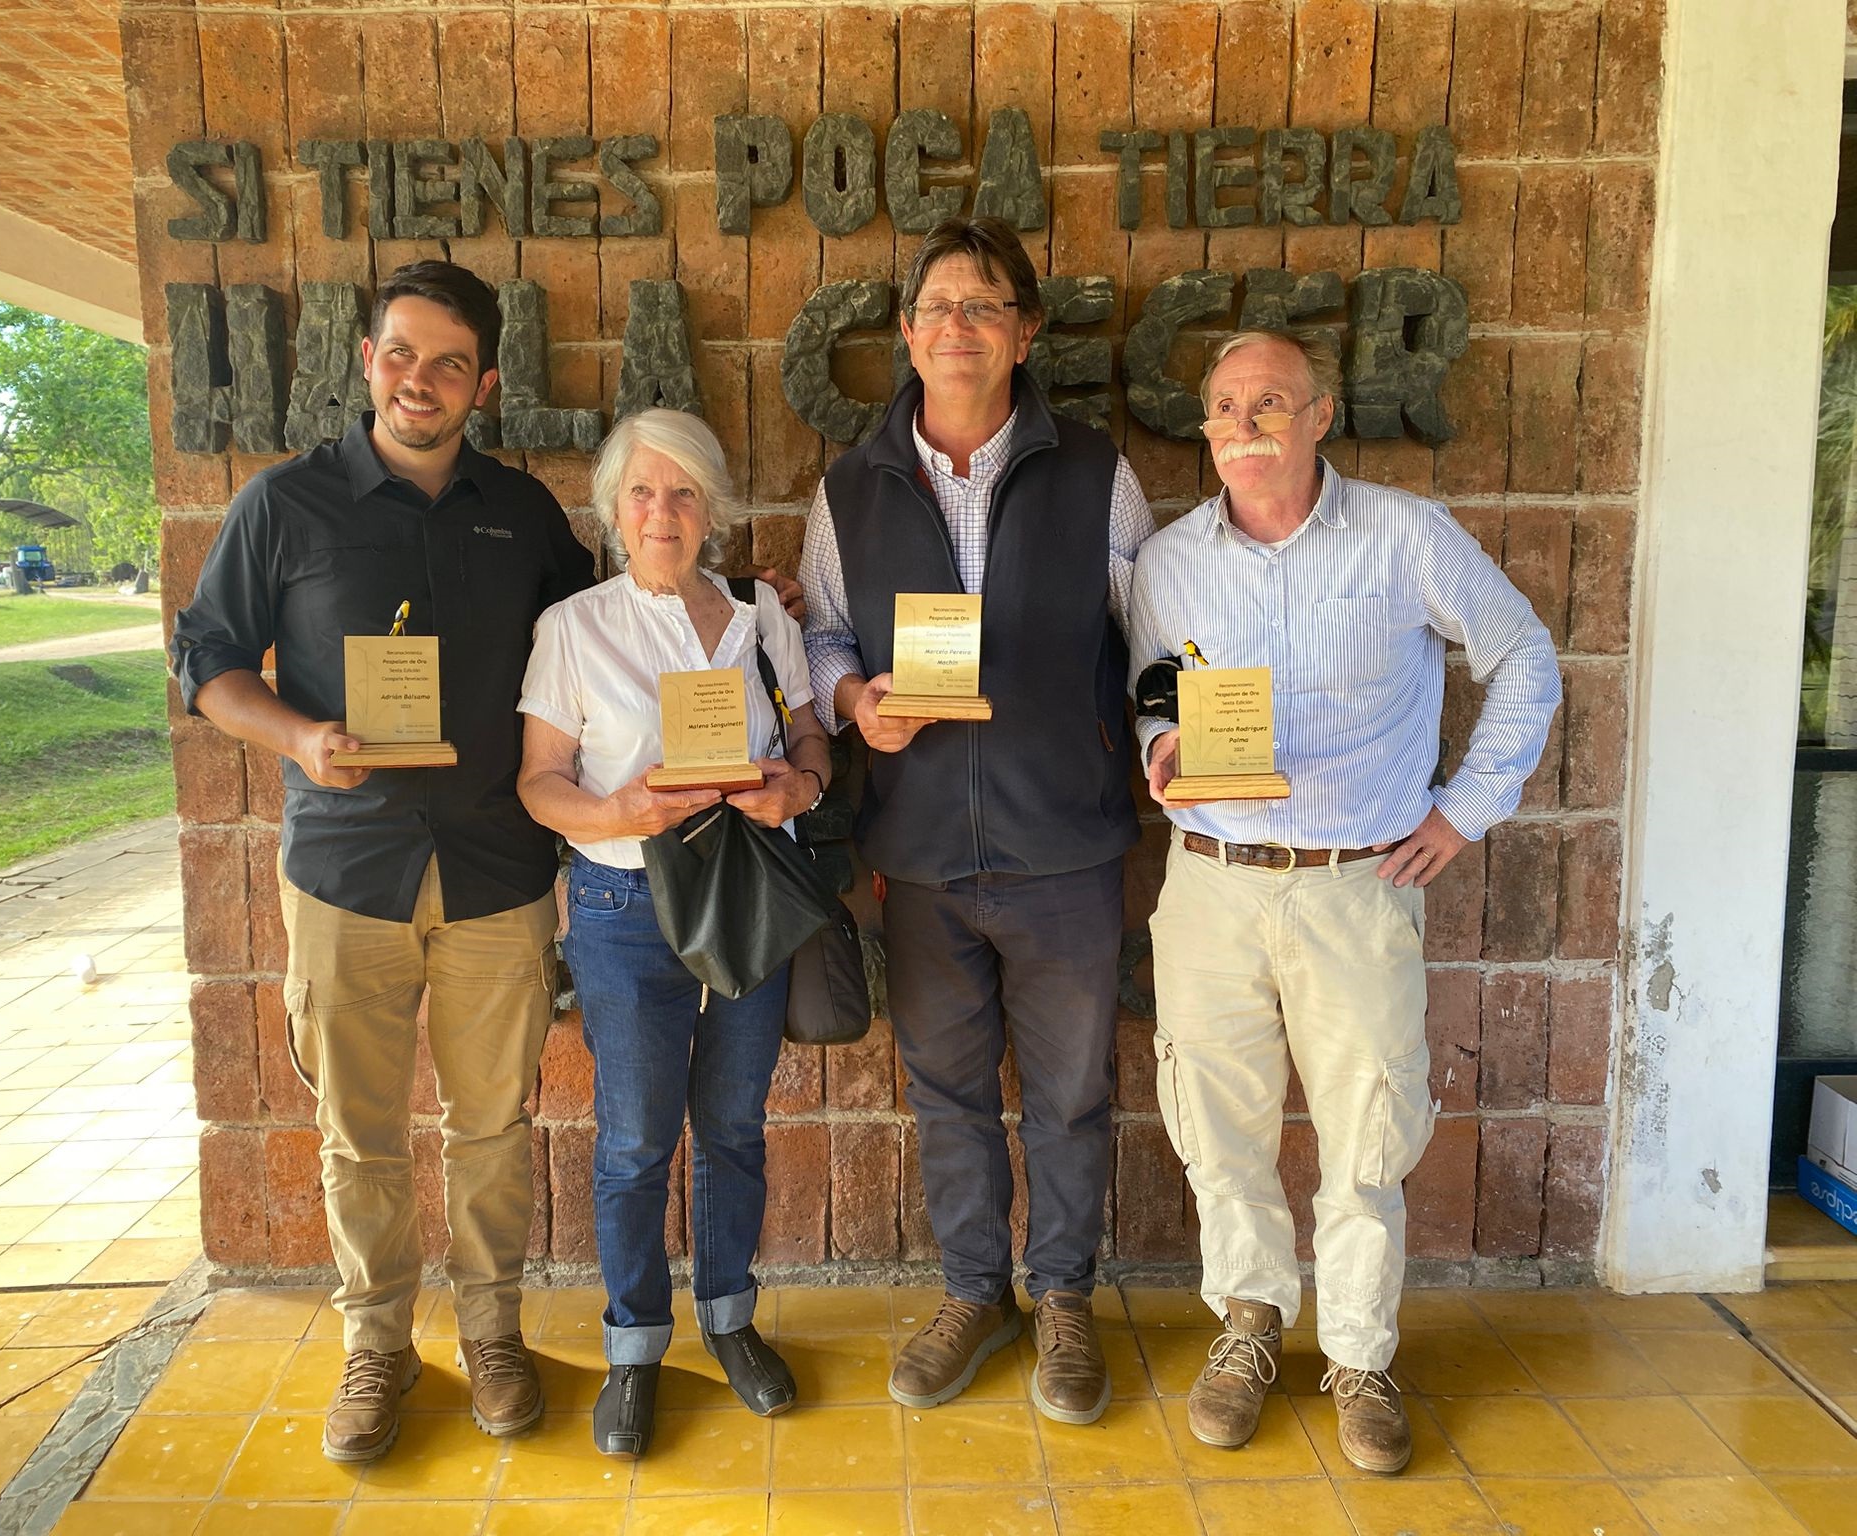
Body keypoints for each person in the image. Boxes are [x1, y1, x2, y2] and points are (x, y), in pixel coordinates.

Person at [168, 261, 799, 1465]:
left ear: (484, 382)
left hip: (494, 876)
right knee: (358, 1129)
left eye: (449, 362)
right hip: (346, 870)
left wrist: (747, 598)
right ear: (366, 362)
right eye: (402, 354)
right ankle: (376, 1345)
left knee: (492, 1124)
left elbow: (633, 608)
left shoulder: (521, 517)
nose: (422, 380)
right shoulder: (283, 505)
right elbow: (204, 664)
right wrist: (299, 735)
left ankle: (495, 1334)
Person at [1130, 328, 1561, 1473]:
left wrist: (1465, 807)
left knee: (1365, 1133)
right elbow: (1154, 683)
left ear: (1319, 416)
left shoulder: (1402, 538)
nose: (1241, 424)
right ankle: (1247, 1325)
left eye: (1267, 402)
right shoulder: (1170, 561)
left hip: (1355, 885)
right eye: (1222, 405)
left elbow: (1522, 655)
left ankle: (1361, 1356)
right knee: (1216, 1127)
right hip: (1212, 885)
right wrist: (1161, 738)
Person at [799, 216, 1154, 1426]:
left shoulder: (1097, 475)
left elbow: (1151, 639)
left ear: (1024, 331)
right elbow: (824, 635)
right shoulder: (851, 484)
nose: (958, 326)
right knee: (945, 1094)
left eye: (984, 305)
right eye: (937, 305)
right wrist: (852, 703)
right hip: (921, 854)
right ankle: (971, 1294)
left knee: (1067, 1097)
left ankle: (1060, 1300)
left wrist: (1166, 739)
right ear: (906, 333)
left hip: (1064, 846)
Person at [517, 408, 832, 1459]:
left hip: (742, 888)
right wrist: (619, 815)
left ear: (713, 510)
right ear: (613, 510)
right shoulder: (574, 626)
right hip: (623, 905)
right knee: (637, 1140)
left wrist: (797, 786)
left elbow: (808, 738)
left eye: (684, 492)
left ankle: (731, 1321)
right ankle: (635, 1347)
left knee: (734, 1125)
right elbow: (539, 783)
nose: (663, 512)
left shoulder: (758, 614)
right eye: (643, 493)